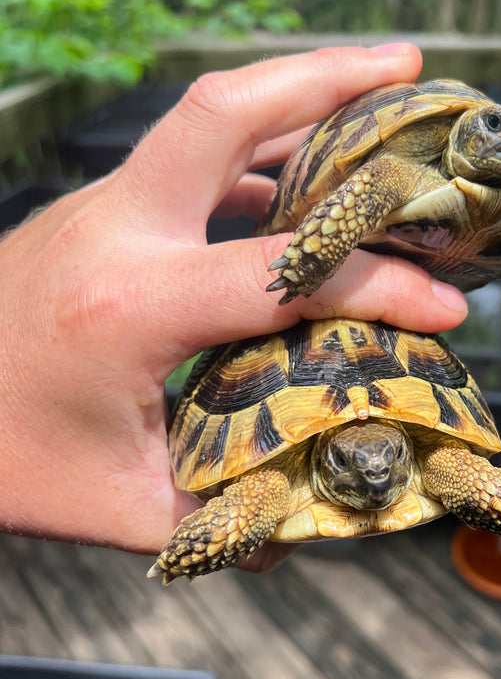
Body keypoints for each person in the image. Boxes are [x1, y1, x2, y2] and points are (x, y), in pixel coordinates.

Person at [0, 44, 469, 574]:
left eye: (392, 460)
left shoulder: (434, 461)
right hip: (283, 430)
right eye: (348, 461)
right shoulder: (272, 485)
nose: (374, 475)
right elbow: (257, 495)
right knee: (251, 504)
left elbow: (463, 466)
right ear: (326, 460)